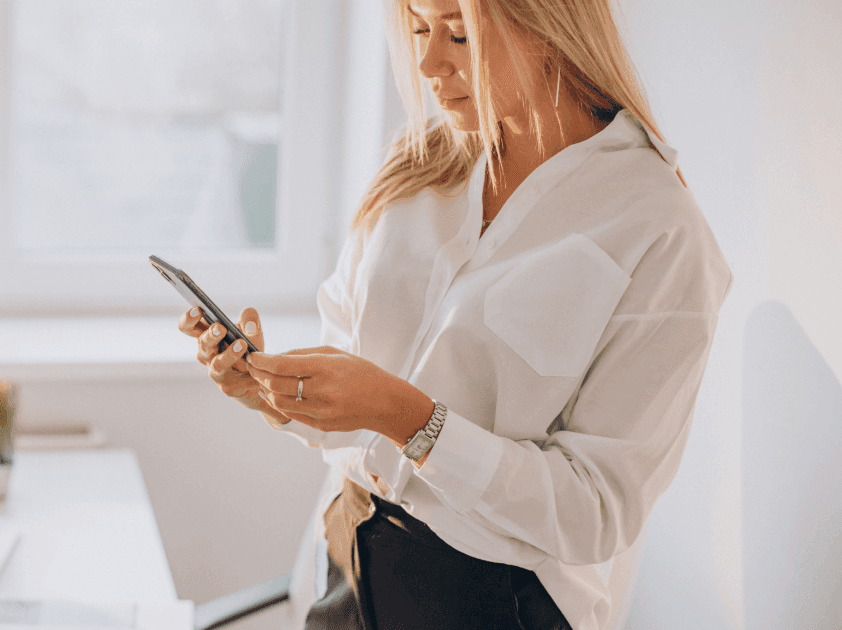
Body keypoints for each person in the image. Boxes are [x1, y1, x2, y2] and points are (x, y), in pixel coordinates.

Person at [177, 0, 731, 627]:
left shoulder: (656, 227)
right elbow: (352, 388)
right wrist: (269, 388)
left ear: (550, 27)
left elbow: (597, 510)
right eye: (416, 28)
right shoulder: (415, 169)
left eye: (459, 34)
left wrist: (410, 418)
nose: (426, 62)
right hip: (347, 560)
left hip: (493, 601)